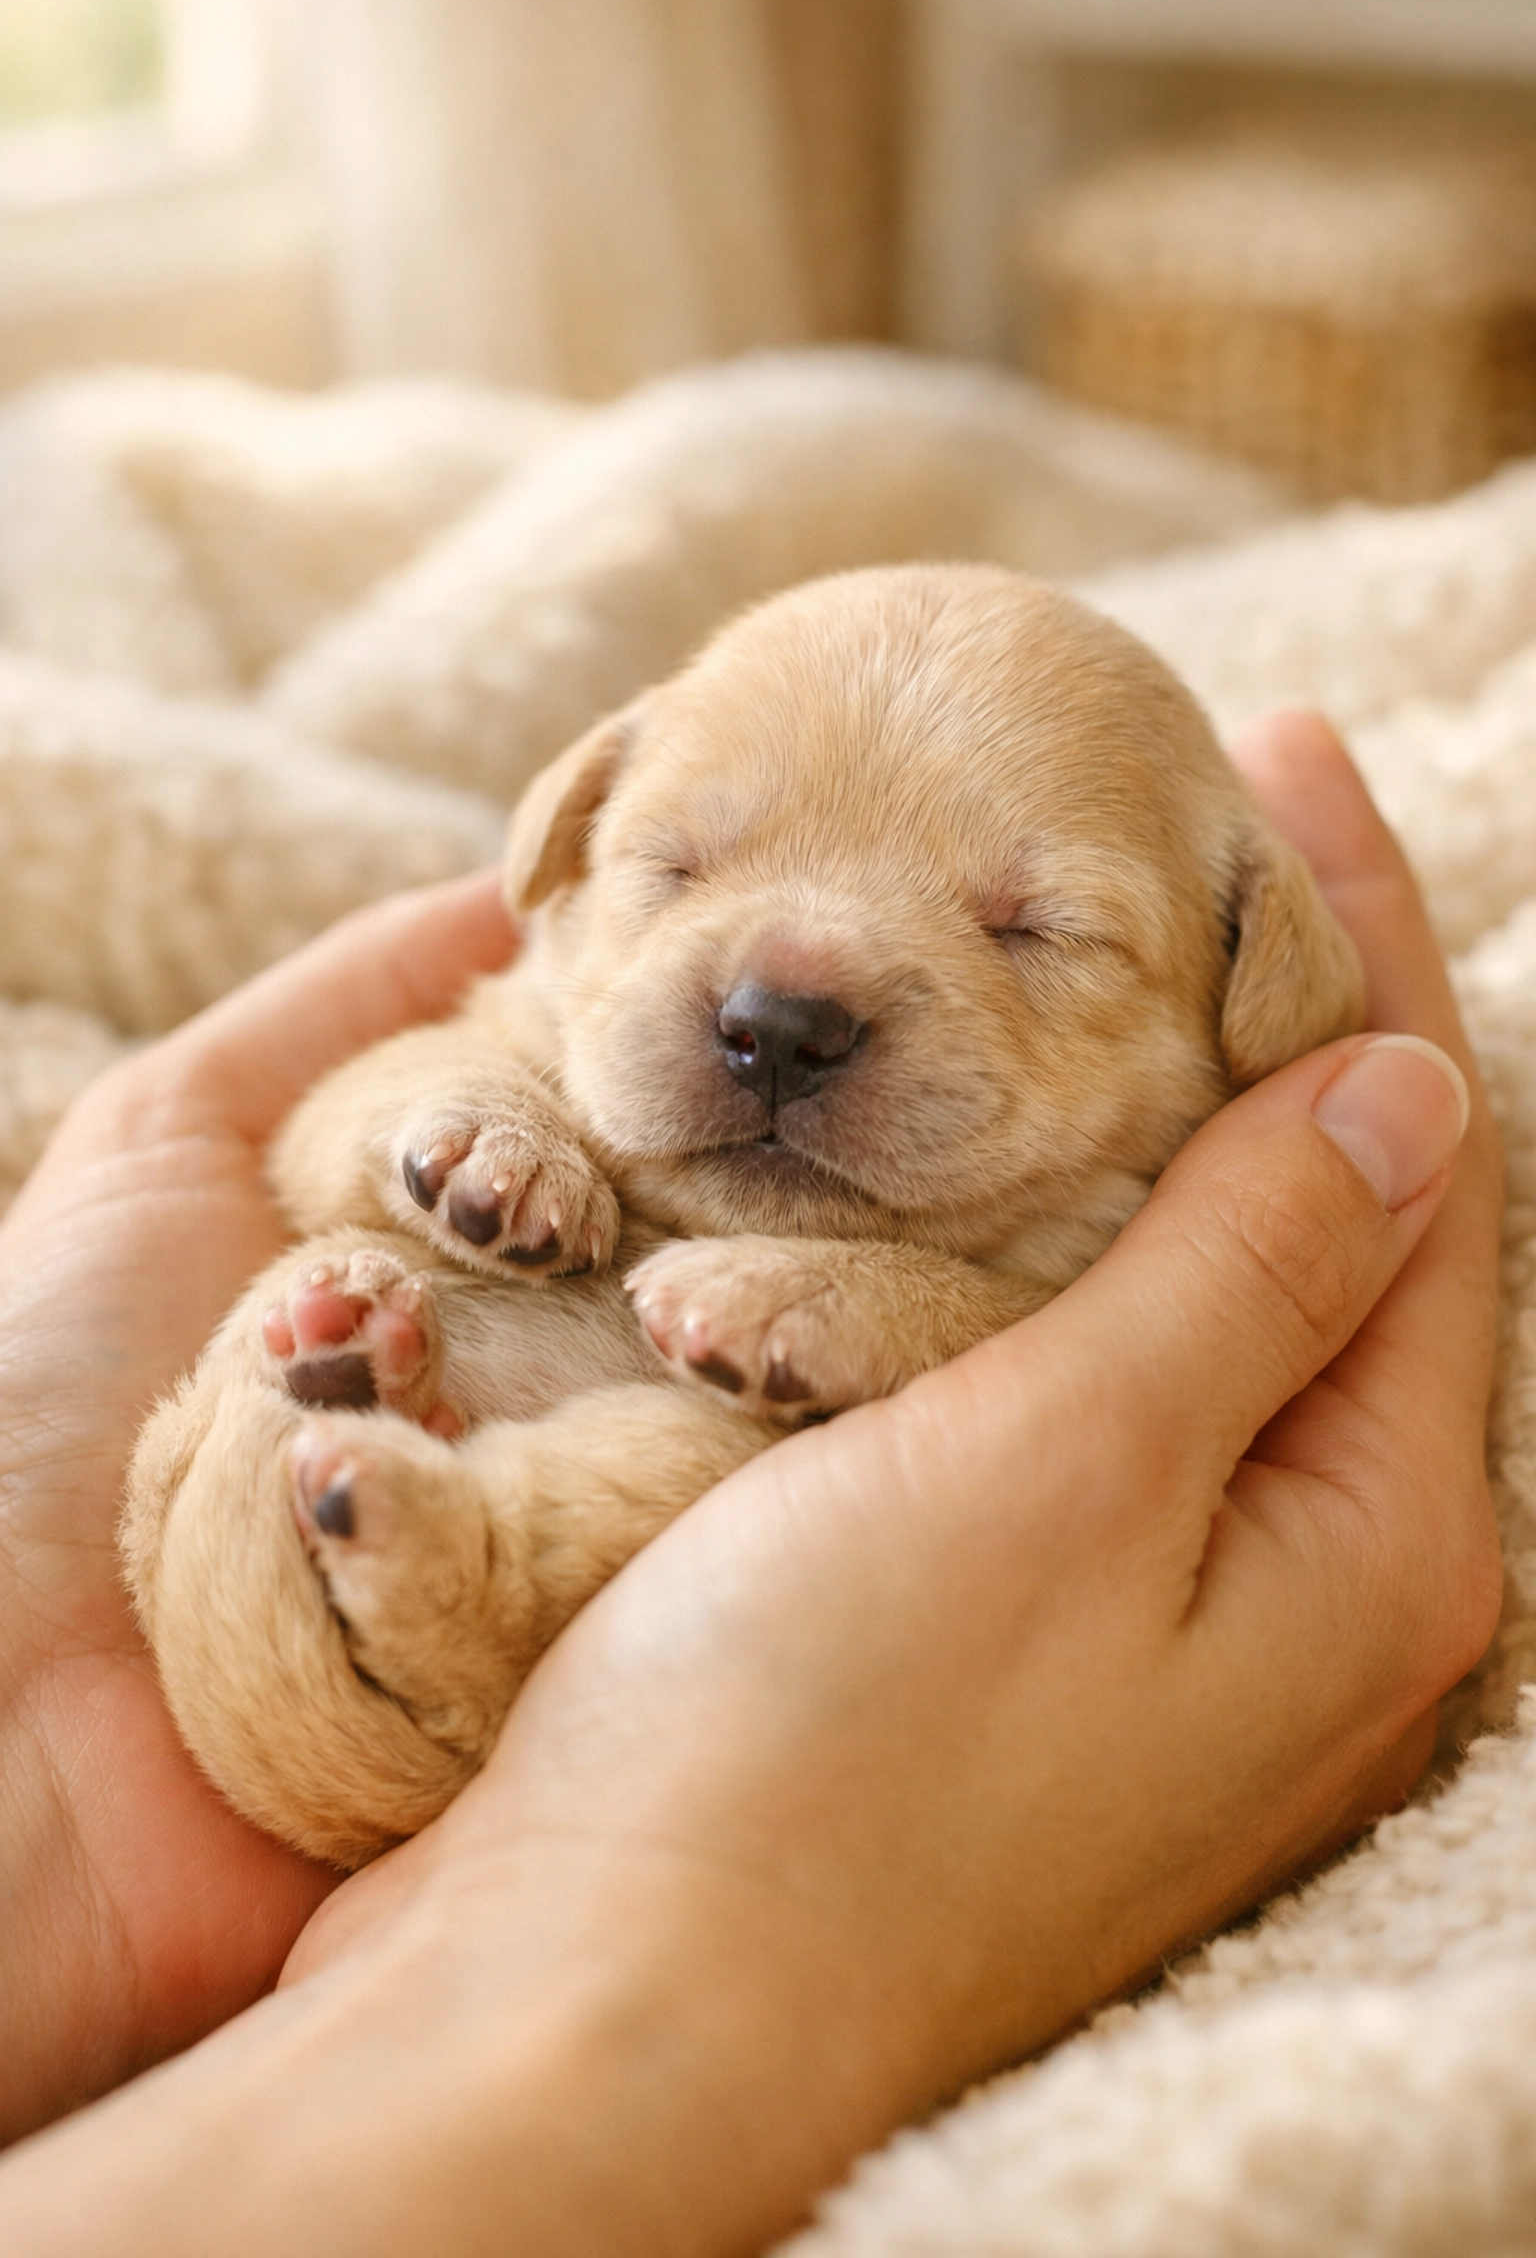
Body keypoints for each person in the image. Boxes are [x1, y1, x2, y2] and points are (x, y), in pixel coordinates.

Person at [0, 711, 1502, 2257]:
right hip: (241, 1623)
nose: (783, 1002)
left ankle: (473, 1564)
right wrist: (462, 1128)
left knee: (699, 1459)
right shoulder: (533, 1022)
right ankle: (345, 1515)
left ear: (1255, 989)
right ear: (569, 836)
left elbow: (1024, 1392)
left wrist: (878, 1316)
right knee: (281, 1326)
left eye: (1036, 926)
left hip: (559, 1611)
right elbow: (344, 1135)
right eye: (680, 865)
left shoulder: (1083, 1234)